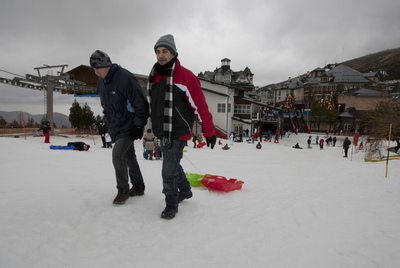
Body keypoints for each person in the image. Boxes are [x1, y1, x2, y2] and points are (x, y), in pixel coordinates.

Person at [147, 34, 216, 219]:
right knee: (172, 163)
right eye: (158, 51)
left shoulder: (186, 77)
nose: (161, 55)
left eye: (165, 51)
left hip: (179, 130)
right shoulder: (154, 76)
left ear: (173, 53)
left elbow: (199, 105)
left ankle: (171, 202)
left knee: (167, 169)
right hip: (163, 130)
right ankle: (184, 190)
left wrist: (209, 131)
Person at [90, 50, 149, 205]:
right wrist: (106, 122)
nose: (96, 72)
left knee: (117, 155)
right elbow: (106, 106)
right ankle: (138, 186)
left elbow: (140, 102)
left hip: (129, 125)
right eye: (93, 69)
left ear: (107, 65)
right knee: (129, 156)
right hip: (116, 125)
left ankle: (123, 191)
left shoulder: (124, 77)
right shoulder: (101, 82)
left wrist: (138, 125)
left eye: (98, 68)